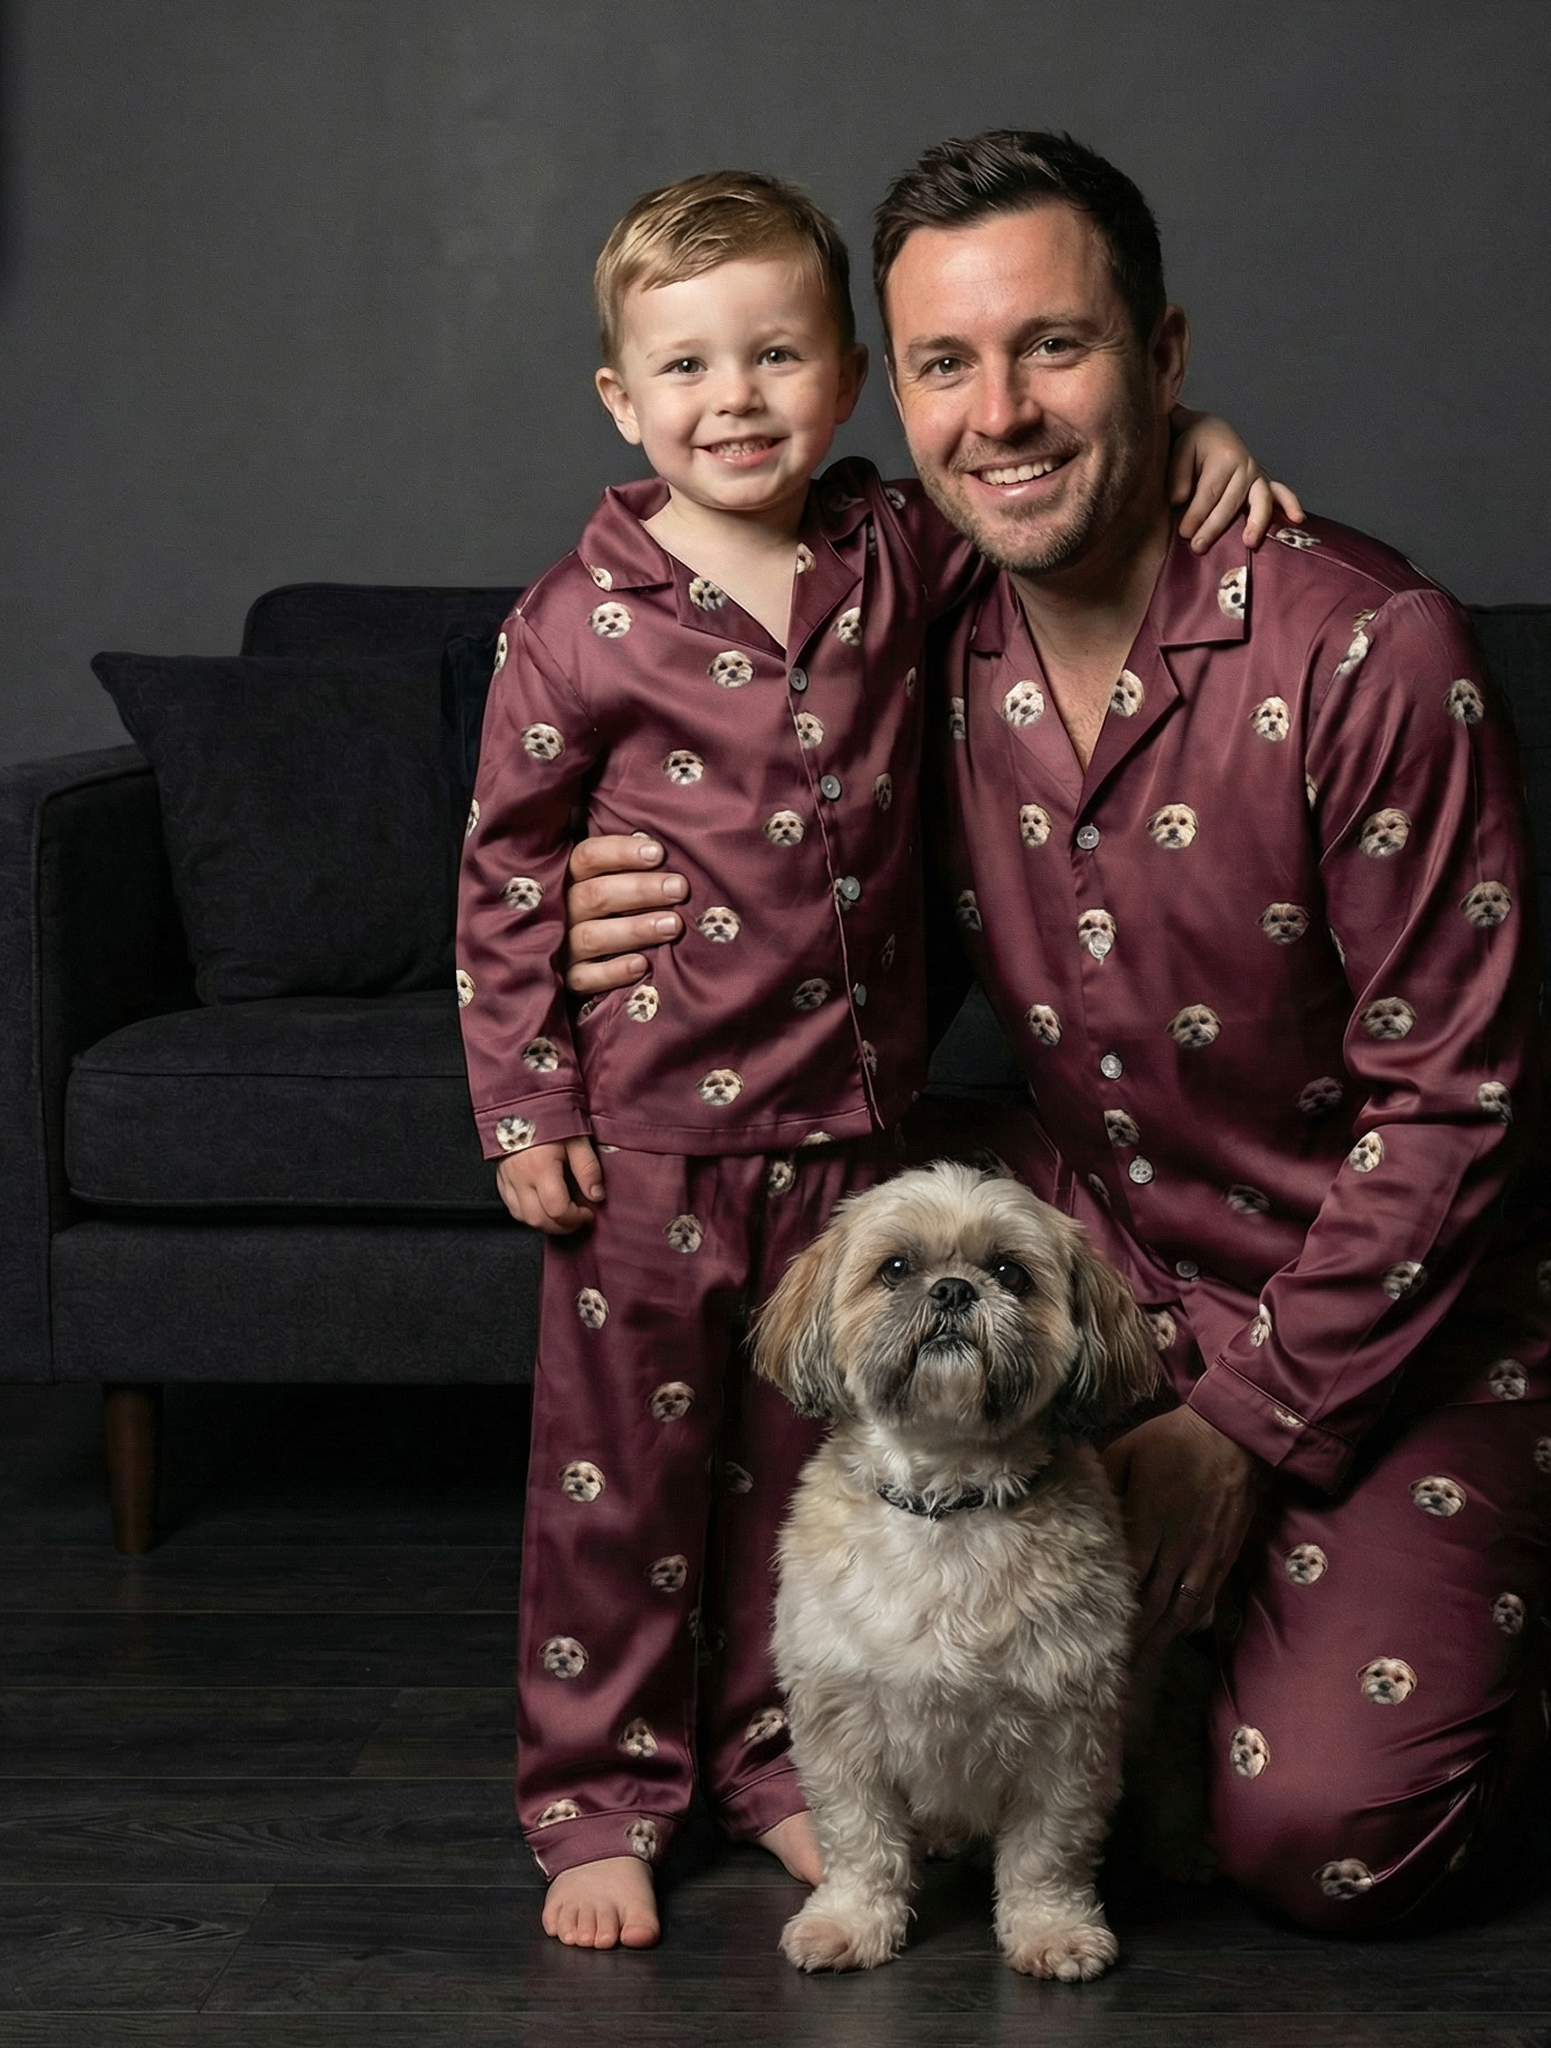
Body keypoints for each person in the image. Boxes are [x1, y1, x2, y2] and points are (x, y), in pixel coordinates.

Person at [560, 131, 1551, 1937]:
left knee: (1317, 1834)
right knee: (799, 1210)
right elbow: (718, 767)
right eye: (944, 363)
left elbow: (1455, 1111)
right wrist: (590, 907)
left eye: (1055, 348)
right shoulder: (910, 632)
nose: (999, 412)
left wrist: (1238, 1428)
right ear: (892, 395)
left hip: (1416, 1278)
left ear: (1163, 360)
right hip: (1108, 1237)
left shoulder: (1375, 651)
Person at [455, 167, 1287, 1952]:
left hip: (851, 1136)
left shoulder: (889, 550)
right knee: (623, 1489)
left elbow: (1045, 483)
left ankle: (772, 1763)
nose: (732, 400)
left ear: (845, 381)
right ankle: (597, 1793)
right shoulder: (575, 620)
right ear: (620, 398)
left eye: (774, 356)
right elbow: (510, 869)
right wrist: (526, 1101)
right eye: (684, 368)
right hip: (652, 1140)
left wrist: (1191, 424)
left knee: (790, 1471)